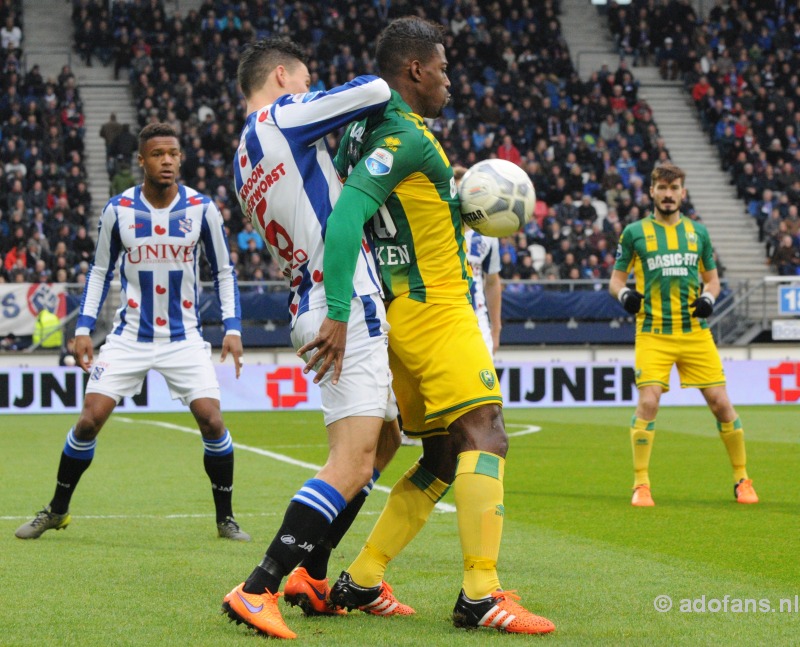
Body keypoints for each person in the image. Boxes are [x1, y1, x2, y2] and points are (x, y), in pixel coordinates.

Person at [302, 17, 555, 635]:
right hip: (435, 305)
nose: (448, 81)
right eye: (441, 68)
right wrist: (336, 313)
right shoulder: (405, 135)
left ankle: (360, 580)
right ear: (414, 69)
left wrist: (449, 192)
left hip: (398, 311)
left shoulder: (359, 132)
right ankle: (481, 594)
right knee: (488, 435)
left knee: (441, 456)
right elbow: (345, 219)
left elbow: (375, 206)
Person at [221, 39, 402, 639]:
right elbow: (376, 89)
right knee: (350, 463)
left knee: (387, 439)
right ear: (281, 76)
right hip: (342, 304)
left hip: (310, 296)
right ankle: (261, 586)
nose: (310, 88)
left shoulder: (244, 157)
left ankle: (313, 572)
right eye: (305, 80)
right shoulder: (281, 115)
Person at [15, 123, 250, 542]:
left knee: (212, 421)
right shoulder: (118, 210)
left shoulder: (201, 209)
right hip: (128, 337)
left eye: (174, 154)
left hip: (184, 339)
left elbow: (225, 271)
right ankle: (57, 510)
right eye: (158, 154)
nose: (167, 161)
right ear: (141, 160)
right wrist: (84, 326)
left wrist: (232, 326)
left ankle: (225, 518)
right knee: (89, 420)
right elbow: (100, 271)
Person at [608, 163, 758, 507]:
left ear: (683, 193)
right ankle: (641, 485)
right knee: (648, 402)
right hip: (653, 333)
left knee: (721, 404)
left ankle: (742, 478)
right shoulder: (634, 232)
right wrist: (625, 295)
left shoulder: (698, 233)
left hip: (694, 332)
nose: (668, 194)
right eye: (662, 187)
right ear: (652, 192)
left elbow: (713, 280)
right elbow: (616, 281)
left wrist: (708, 299)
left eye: (674, 188)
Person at [454, 165, 503, 357]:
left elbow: (492, 281)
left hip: (477, 321)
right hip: (442, 318)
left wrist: (496, 329)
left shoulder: (488, 232)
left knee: (485, 386)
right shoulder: (436, 229)